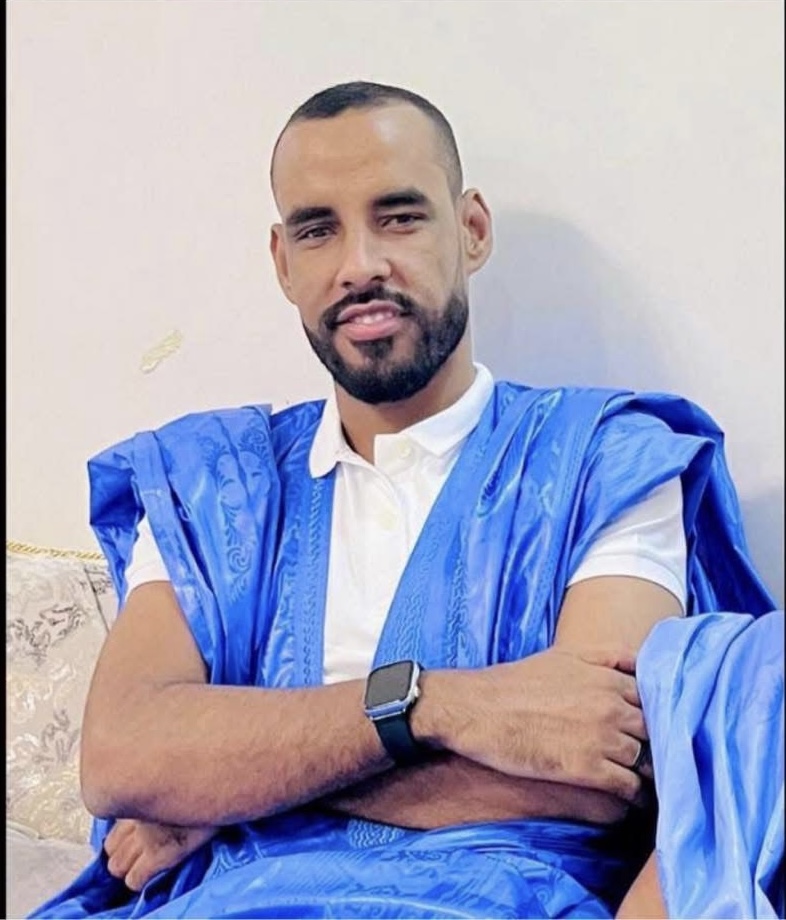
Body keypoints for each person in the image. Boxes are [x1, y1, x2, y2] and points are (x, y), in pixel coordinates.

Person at [31, 81, 782, 920]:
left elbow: (598, 774)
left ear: (472, 230)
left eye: (398, 217)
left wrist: (227, 790)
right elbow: (124, 759)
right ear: (283, 262)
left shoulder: (606, 459)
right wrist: (435, 708)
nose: (359, 265)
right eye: (318, 230)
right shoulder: (209, 483)